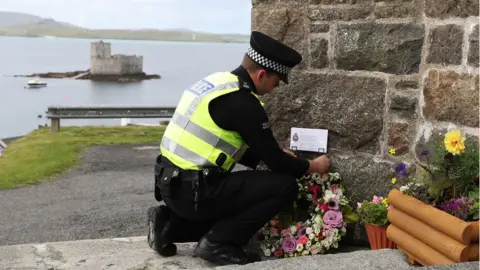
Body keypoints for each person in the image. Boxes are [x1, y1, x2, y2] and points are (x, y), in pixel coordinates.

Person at [147, 31, 331, 266]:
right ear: (262, 74)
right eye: (277, 80)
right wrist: (314, 165)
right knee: (284, 187)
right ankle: (218, 243)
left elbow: (219, 143)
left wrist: (268, 156)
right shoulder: (244, 103)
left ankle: (170, 224)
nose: (276, 87)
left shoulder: (216, 82)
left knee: (236, 194)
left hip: (171, 187)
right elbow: (279, 165)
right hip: (195, 193)